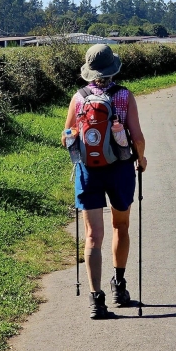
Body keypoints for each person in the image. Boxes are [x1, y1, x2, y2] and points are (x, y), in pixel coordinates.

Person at [63, 44, 147, 319]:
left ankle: (95, 299)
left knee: (92, 236)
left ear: (89, 71)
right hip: (119, 169)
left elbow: (66, 136)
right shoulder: (124, 96)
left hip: (88, 171)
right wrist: (141, 159)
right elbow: (137, 137)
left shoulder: (78, 98)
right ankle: (119, 286)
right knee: (120, 226)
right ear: (113, 68)